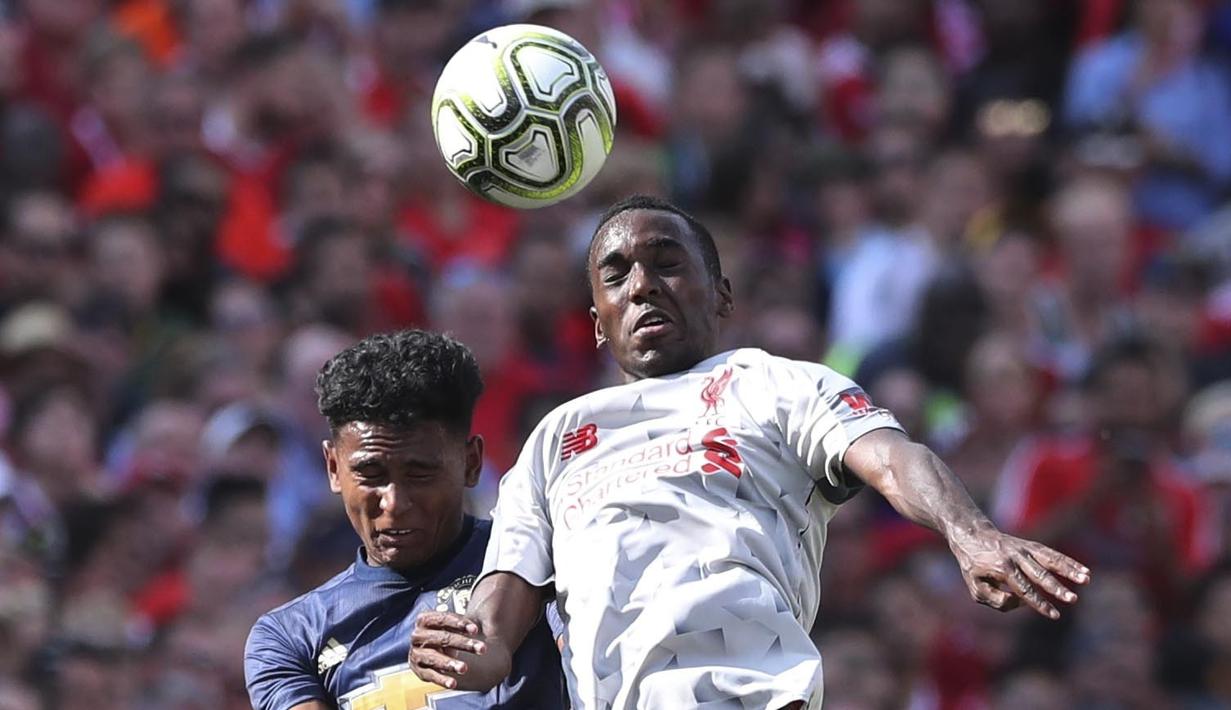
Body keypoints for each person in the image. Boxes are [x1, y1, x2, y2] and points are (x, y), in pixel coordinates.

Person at [409, 195, 1091, 709]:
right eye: (615, 276)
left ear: (722, 294)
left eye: (667, 264)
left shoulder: (774, 382)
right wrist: (476, 649)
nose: (641, 285)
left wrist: (969, 533)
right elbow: (506, 597)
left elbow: (891, 457)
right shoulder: (556, 437)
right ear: (595, 322)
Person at [244, 330, 563, 709]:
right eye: (371, 475)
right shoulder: (290, 637)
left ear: (471, 463)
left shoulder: (541, 566)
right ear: (333, 468)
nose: (394, 503)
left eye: (420, 474)